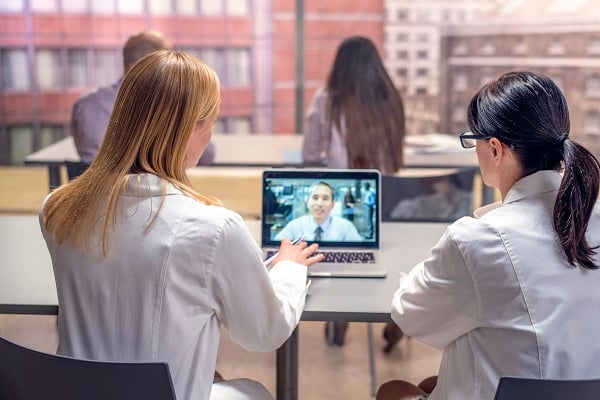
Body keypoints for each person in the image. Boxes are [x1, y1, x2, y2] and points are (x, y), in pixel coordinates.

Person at [40, 50, 323, 400]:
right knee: (254, 391)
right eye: (212, 121)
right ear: (191, 129)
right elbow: (265, 332)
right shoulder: (214, 228)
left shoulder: (57, 209)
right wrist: (290, 270)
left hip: (80, 394)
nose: (211, 135)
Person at [377, 71, 600, 400]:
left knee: (393, 389)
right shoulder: (592, 217)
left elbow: (411, 315)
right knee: (430, 382)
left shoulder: (478, 241)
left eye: (473, 140)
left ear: (495, 148)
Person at [302, 35, 406, 350]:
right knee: (390, 257)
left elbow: (309, 154)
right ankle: (397, 320)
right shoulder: (391, 98)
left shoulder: (327, 99)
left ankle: (339, 321)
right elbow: (395, 158)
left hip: (343, 199)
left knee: (341, 252)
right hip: (389, 200)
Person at [71, 30, 216, 165]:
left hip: (95, 188)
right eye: (168, 67)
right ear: (144, 66)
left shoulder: (87, 104)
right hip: (141, 187)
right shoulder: (164, 103)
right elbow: (205, 155)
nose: (173, 75)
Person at [275, 181, 362, 242]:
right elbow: (276, 249)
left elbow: (360, 252)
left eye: (325, 198)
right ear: (307, 202)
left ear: (333, 204)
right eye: (315, 198)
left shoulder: (346, 227)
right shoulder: (295, 226)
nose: (319, 203)